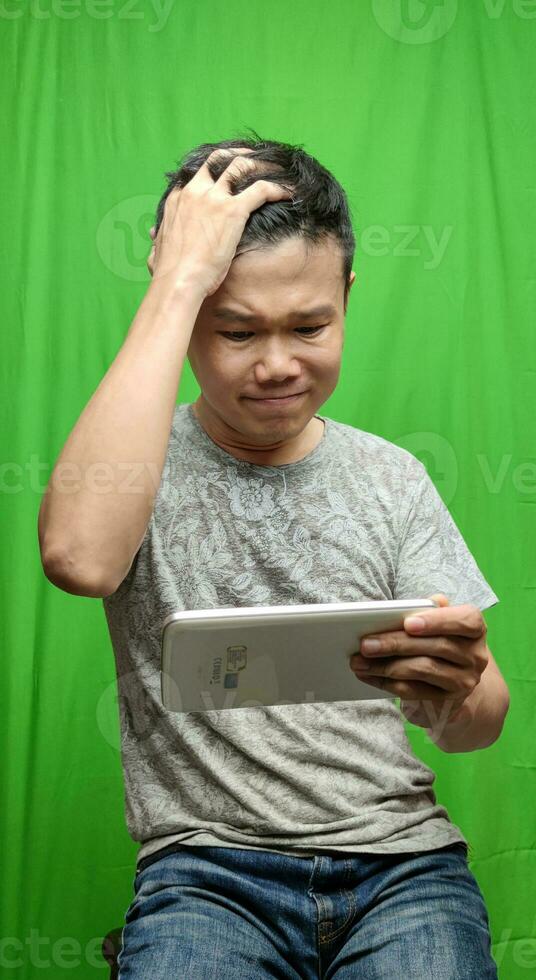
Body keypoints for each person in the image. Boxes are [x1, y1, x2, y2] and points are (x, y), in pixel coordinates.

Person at [38, 133, 510, 978]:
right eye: (235, 331)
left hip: (403, 869)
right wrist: (179, 279)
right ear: (185, 316)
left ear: (347, 298)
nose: (277, 366)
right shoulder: (134, 459)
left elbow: (477, 729)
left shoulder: (390, 479)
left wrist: (459, 687)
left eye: (310, 325)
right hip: (206, 873)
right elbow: (79, 559)